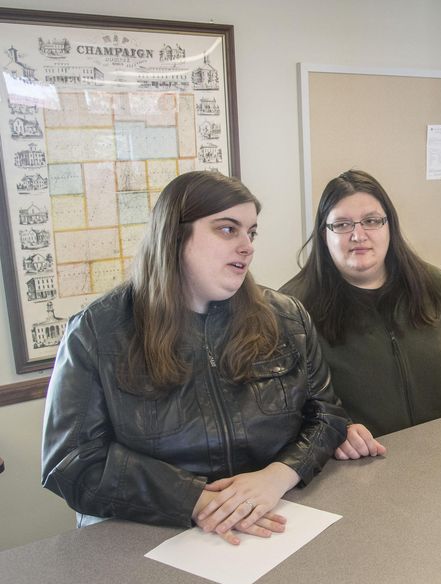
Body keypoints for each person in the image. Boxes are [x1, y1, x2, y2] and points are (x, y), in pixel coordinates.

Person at [42, 171, 348, 545]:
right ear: (174, 234)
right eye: (227, 229)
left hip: (273, 519)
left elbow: (327, 414)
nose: (247, 246)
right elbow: (72, 463)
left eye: (251, 232)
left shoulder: (286, 317)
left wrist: (278, 475)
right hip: (151, 536)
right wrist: (196, 499)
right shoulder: (96, 331)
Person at [281, 169, 441, 459]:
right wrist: (334, 431)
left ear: (389, 226)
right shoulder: (292, 309)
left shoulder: (436, 285)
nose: (358, 235)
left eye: (371, 221)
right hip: (361, 472)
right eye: (342, 224)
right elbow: (283, 412)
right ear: (323, 235)